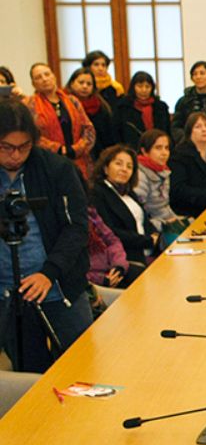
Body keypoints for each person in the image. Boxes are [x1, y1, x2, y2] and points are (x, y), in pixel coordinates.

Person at [0, 98, 92, 373]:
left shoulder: (57, 168)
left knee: (82, 368)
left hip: (58, 286)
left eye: (24, 147)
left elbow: (76, 227)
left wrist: (49, 272)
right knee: (29, 376)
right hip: (8, 291)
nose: (16, 155)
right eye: (6, 148)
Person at [23, 62, 95, 178]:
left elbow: (88, 129)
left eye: (47, 74)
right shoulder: (29, 104)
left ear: (54, 76)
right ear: (33, 83)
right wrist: (58, 149)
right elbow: (30, 135)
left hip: (79, 160)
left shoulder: (72, 101)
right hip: (47, 162)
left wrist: (76, 148)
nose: (44, 79)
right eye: (38, 77)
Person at [90, 144, 157, 264]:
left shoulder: (129, 192)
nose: (124, 169)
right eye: (118, 164)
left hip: (147, 252)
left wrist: (155, 235)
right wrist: (147, 240)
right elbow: (109, 231)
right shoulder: (97, 193)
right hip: (123, 258)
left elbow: (144, 220)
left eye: (129, 166)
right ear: (105, 168)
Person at [135, 129, 187, 241]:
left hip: (167, 222)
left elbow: (164, 206)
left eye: (166, 148)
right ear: (144, 151)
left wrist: (178, 220)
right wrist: (165, 224)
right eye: (158, 148)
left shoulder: (163, 171)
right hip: (155, 231)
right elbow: (141, 215)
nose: (164, 153)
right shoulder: (140, 175)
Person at [65, 67, 115, 159]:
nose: (85, 86)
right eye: (81, 82)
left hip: (97, 155)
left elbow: (108, 136)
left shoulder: (100, 105)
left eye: (89, 84)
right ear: (72, 83)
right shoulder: (64, 103)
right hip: (71, 153)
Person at [86, 205, 142, 288]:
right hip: (97, 280)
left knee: (145, 277)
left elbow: (113, 241)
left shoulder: (91, 215)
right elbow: (75, 273)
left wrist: (118, 266)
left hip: (114, 267)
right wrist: (101, 279)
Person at [112, 71, 170, 150]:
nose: (144, 90)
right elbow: (116, 133)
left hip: (158, 149)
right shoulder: (123, 106)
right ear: (133, 87)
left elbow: (167, 131)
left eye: (147, 87)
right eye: (140, 86)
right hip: (130, 150)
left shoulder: (160, 107)